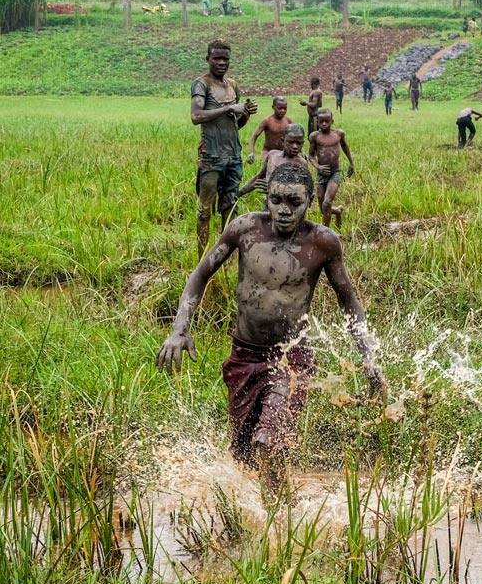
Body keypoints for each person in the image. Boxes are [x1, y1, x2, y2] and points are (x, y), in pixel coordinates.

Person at [157, 163, 386, 495]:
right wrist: (180, 328)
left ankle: (280, 523)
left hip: (290, 359)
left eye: (294, 202)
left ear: (310, 200)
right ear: (267, 198)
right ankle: (272, 508)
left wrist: (368, 359)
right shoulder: (244, 228)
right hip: (243, 356)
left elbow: (348, 301)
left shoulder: (323, 242)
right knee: (246, 456)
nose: (283, 210)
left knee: (269, 443)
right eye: (276, 200)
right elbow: (200, 274)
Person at [191, 39, 258, 254]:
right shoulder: (202, 84)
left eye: (225, 59)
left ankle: (225, 256)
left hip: (232, 156)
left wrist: (245, 112)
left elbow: (235, 125)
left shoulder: (232, 86)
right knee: (204, 210)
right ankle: (202, 259)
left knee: (230, 208)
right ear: (208, 59)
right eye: (217, 58)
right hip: (211, 155)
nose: (221, 62)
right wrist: (230, 107)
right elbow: (196, 116)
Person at [236, 123, 311, 201]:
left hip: (286, 207)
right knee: (251, 214)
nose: (295, 147)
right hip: (269, 203)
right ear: (283, 141)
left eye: (299, 143)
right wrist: (239, 193)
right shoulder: (272, 155)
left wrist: (274, 189)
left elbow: (303, 191)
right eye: (291, 142)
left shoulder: (301, 163)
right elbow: (259, 177)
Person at [308, 109, 353, 229]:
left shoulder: (338, 134)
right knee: (323, 208)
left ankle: (325, 233)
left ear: (331, 121)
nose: (324, 124)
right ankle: (337, 211)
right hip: (321, 174)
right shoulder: (315, 137)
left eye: (326, 121)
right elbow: (311, 156)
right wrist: (318, 167)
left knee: (327, 202)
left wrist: (351, 163)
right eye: (321, 121)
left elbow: (345, 146)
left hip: (335, 173)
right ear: (317, 122)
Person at [247, 96, 293, 164]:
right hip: (268, 152)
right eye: (279, 108)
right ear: (273, 107)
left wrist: (302, 151)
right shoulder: (267, 121)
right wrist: (251, 152)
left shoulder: (288, 121)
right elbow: (254, 137)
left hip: (283, 152)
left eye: (285, 108)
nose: (283, 111)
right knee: (269, 169)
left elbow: (296, 138)